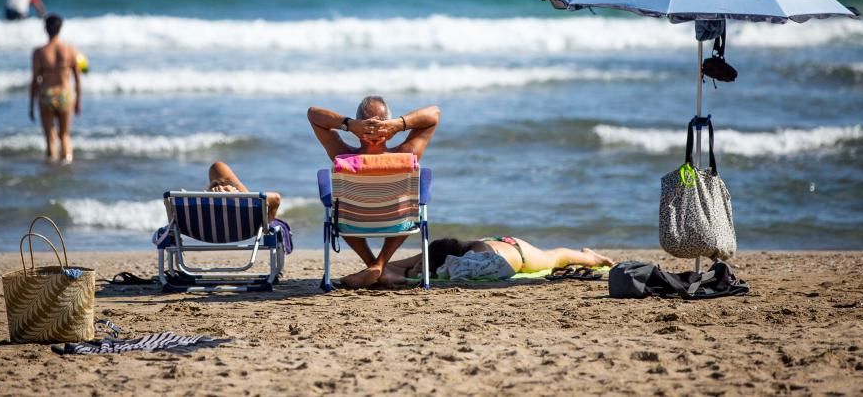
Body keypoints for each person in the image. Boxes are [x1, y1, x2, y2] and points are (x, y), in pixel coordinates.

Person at [307, 96, 440, 289]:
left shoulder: (342, 155)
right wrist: (400, 125)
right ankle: (379, 266)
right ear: (389, 123)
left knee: (337, 208)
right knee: (411, 206)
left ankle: (374, 265)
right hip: (399, 224)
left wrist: (349, 125)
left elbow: (313, 114)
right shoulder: (406, 154)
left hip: (351, 224)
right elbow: (434, 114)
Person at [380, 237, 617, 285]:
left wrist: (414, 274)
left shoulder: (477, 253)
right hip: (500, 243)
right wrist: (410, 267)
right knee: (556, 255)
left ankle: (591, 257)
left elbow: (457, 271)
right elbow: (391, 266)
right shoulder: (440, 254)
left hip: (517, 252)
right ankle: (588, 256)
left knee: (555, 257)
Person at [29, 14, 81, 162]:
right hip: (65, 93)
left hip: (46, 94)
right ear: (60, 28)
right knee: (65, 135)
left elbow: (34, 81)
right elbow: (77, 79)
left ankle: (51, 167)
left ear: (45, 29)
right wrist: (78, 100)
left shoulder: (39, 52)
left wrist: (31, 105)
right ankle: (67, 163)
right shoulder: (70, 49)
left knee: (50, 137)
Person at [205, 160, 282, 221]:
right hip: (246, 222)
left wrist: (205, 197)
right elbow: (276, 199)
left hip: (206, 230)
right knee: (218, 166)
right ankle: (239, 199)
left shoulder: (195, 210)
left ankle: (228, 199)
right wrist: (238, 196)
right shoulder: (248, 219)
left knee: (217, 167)